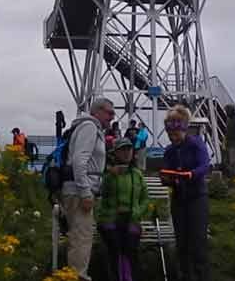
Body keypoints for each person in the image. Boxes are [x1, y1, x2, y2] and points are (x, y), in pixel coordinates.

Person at [64, 98, 114, 279]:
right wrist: (85, 192)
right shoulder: (89, 127)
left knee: (81, 237)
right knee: (81, 239)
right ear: (97, 112)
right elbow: (79, 160)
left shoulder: (91, 128)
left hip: (78, 190)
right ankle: (77, 276)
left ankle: (75, 275)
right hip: (79, 192)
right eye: (109, 112)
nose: (113, 116)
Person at [161, 105, 211, 281]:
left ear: (183, 129)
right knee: (182, 243)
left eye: (175, 134)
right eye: (169, 134)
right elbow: (166, 170)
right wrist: (167, 178)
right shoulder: (169, 150)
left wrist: (191, 174)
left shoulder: (196, 144)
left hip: (196, 198)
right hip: (179, 198)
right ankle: (185, 276)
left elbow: (205, 165)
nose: (172, 137)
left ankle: (200, 276)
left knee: (197, 242)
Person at [98, 138, 149, 281]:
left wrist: (138, 212)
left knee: (130, 245)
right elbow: (100, 192)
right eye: (122, 150)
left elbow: (145, 199)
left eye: (129, 149)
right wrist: (109, 174)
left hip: (131, 218)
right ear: (115, 153)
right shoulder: (108, 174)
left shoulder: (137, 175)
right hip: (110, 218)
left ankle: (129, 277)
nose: (126, 153)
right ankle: (116, 276)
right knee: (114, 245)